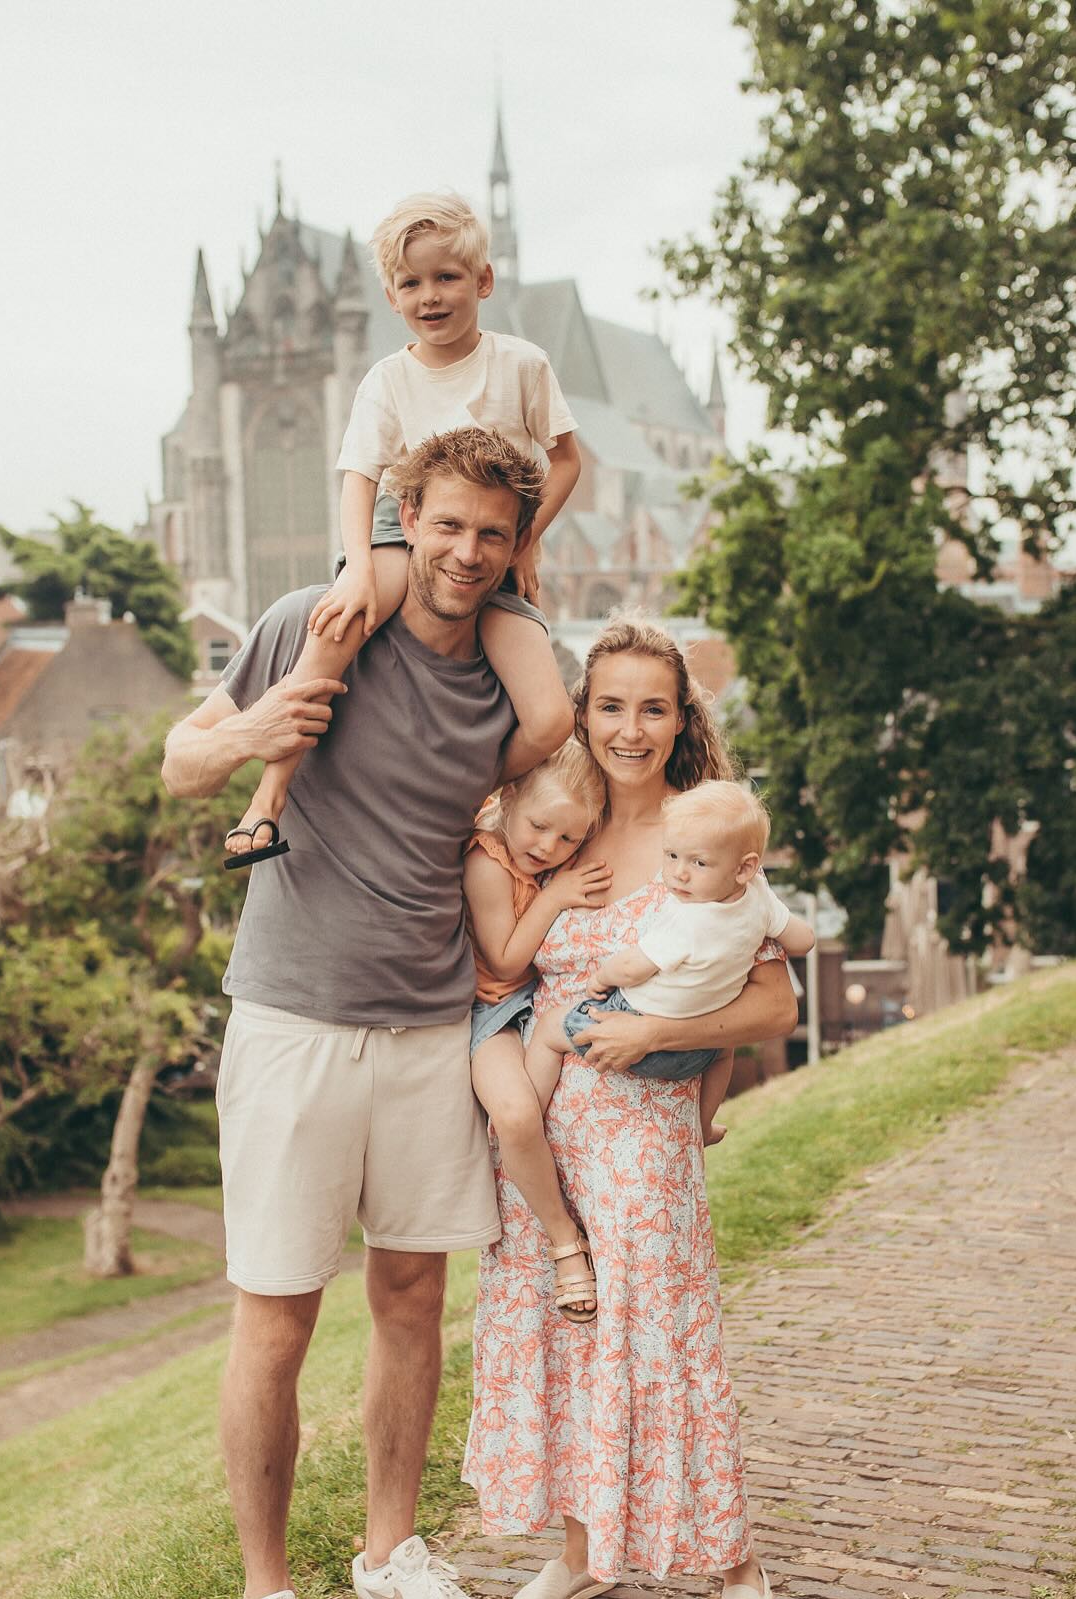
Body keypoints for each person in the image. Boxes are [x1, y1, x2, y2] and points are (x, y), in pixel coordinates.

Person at [161, 427, 566, 1599]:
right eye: (446, 525)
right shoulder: (313, 620)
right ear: (404, 521)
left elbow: (563, 781)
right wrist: (249, 734)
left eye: (491, 532)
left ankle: (390, 1557)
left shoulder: (510, 674)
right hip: (294, 1022)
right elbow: (180, 760)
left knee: (410, 1297)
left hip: (428, 1026)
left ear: (515, 545)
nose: (466, 552)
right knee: (276, 1316)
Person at [462, 617, 800, 1599]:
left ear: (680, 718)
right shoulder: (554, 823)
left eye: (653, 708)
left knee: (663, 1345)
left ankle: (734, 1563)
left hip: (644, 1137)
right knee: (565, 1344)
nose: (630, 729)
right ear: (583, 710)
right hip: (546, 1135)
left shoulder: (703, 835)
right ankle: (582, 1551)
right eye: (610, 705)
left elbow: (776, 1004)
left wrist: (657, 1035)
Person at [225, 190, 580, 865]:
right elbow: (358, 479)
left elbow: (566, 462)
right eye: (411, 284)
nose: (430, 296)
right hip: (405, 527)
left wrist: (524, 542)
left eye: (446, 277)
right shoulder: (387, 380)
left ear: (483, 280)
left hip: (491, 539)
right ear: (389, 296)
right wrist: (359, 567)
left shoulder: (523, 365)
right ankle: (267, 798)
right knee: (336, 629)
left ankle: (460, 797)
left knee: (552, 717)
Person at [526, 779, 816, 1145]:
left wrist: (602, 977)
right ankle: (703, 1125)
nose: (679, 873)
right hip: (700, 1050)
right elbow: (803, 940)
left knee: (549, 1030)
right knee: (724, 1054)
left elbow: (633, 967)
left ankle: (527, 1121)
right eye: (672, 856)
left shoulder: (687, 918)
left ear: (744, 868)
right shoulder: (759, 897)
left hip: (639, 1029)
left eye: (698, 862)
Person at [463, 740, 609, 1320]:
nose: (549, 846)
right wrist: (556, 897)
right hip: (493, 1010)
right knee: (517, 1115)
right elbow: (503, 961)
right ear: (509, 797)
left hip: (539, 1002)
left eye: (569, 838)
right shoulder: (488, 862)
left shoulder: (551, 856)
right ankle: (564, 1242)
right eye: (539, 827)